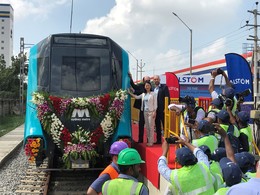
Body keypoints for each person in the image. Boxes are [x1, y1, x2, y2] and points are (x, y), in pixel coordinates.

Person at [128, 81, 157, 146]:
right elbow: (136, 97)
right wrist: (129, 93)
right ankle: (148, 140)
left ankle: (151, 141)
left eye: (148, 85)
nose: (147, 87)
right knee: (147, 127)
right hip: (145, 112)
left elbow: (155, 103)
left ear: (150, 86)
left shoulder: (153, 94)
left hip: (151, 111)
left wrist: (155, 111)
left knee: (151, 127)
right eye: (146, 86)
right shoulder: (143, 94)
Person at [128, 72, 151, 143]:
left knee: (149, 126)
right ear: (143, 81)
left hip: (150, 110)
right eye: (146, 81)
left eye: (148, 81)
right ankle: (140, 140)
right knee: (141, 124)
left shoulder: (151, 90)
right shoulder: (141, 89)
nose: (147, 83)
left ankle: (149, 140)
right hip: (142, 108)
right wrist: (131, 78)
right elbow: (135, 92)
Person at [153, 75, 170, 144]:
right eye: (154, 79)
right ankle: (159, 140)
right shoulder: (153, 89)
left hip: (162, 109)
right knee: (157, 125)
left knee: (164, 124)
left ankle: (167, 139)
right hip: (155, 110)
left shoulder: (164, 87)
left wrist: (166, 108)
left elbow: (167, 97)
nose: (156, 80)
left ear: (159, 80)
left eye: (157, 79)